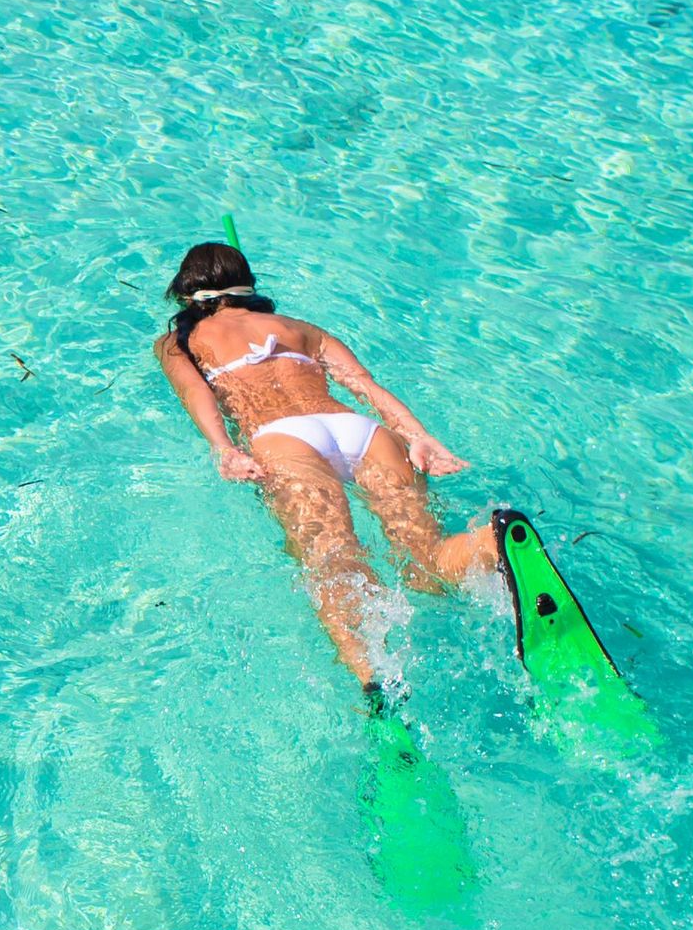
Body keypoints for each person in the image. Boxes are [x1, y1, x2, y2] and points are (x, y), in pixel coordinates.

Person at [152, 240, 502, 691]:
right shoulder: (301, 328)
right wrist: (418, 437)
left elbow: (195, 395)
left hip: (283, 438)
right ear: (248, 287)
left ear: (185, 294)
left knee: (333, 562)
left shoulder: (178, 342)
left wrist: (225, 449)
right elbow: (365, 387)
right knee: (427, 565)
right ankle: (490, 542)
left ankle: (372, 680)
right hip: (359, 430)